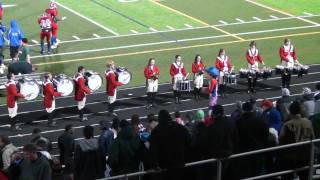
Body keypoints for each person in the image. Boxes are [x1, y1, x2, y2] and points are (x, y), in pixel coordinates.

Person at [150, 110, 191, 180]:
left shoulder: (156, 131)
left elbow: (153, 150)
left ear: (160, 119)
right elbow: (189, 142)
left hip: (165, 167)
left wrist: (155, 165)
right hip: (180, 164)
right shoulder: (181, 128)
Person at [278, 101, 314, 180]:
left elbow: (280, 139)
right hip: (305, 156)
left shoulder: (287, 124)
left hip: (290, 157)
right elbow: (312, 137)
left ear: (290, 111)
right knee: (305, 176)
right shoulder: (308, 122)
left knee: (287, 176)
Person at [235, 102, 269, 179]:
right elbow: (265, 136)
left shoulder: (238, 122)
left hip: (243, 153)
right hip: (258, 152)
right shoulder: (260, 121)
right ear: (252, 109)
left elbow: (236, 138)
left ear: (243, 110)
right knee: (257, 174)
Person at [203, 105, 236, 180]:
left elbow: (207, 144)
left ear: (214, 114)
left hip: (216, 156)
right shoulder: (231, 123)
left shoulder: (211, 128)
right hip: (230, 153)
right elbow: (236, 138)